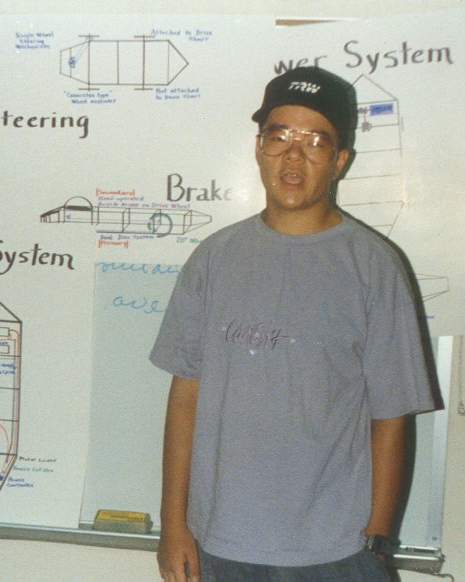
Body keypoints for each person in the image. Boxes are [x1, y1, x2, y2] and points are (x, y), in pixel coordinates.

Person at [150, 66, 435, 582]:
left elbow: (392, 415)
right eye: (279, 137)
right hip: (219, 543)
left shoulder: (374, 267)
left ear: (340, 160)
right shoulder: (214, 258)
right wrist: (173, 526)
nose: (293, 157)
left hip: (334, 551)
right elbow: (184, 395)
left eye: (315, 142)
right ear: (260, 148)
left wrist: (376, 542)